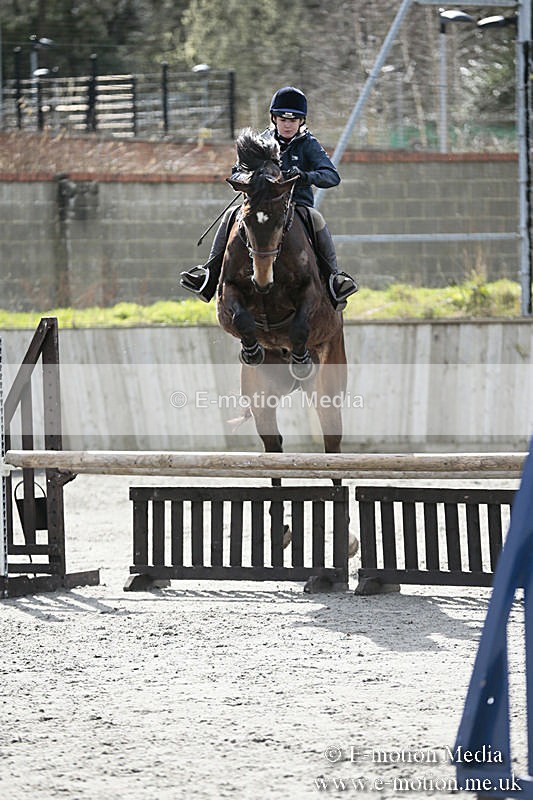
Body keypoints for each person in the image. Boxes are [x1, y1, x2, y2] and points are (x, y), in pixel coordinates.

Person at [180, 86, 358, 309]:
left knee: (316, 219)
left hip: (297, 205)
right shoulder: (261, 142)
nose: (288, 124)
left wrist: (304, 176)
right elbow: (236, 171)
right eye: (283, 119)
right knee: (229, 216)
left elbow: (332, 176)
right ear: (274, 118)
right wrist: (250, 179)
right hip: (258, 204)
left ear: (301, 122)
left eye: (294, 120)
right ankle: (209, 274)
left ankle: (334, 279)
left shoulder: (308, 144)